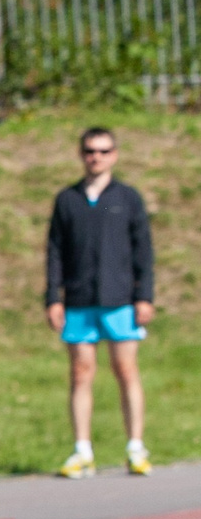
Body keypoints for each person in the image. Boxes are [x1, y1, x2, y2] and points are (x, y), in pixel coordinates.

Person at [46, 126, 156, 478]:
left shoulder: (128, 198)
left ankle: (135, 447)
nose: (97, 157)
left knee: (126, 370)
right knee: (81, 373)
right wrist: (53, 297)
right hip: (79, 300)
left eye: (104, 151)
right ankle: (82, 450)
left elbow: (144, 252)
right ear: (81, 155)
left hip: (120, 299)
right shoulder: (67, 200)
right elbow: (54, 253)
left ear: (115, 155)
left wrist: (144, 295)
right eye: (91, 151)